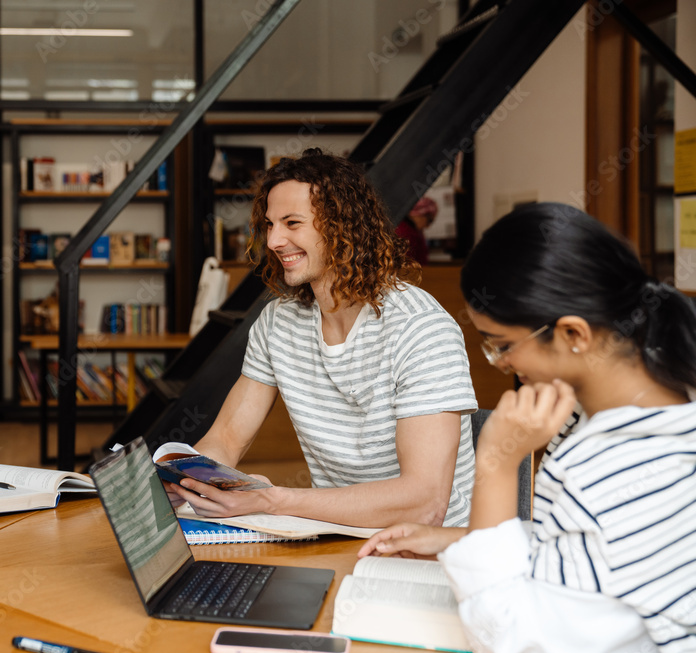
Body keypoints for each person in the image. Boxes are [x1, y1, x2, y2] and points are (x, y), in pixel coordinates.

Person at [358, 202, 696, 653]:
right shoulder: (655, 407)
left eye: (502, 345)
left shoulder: (613, 461)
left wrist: (497, 462)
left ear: (573, 334)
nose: (501, 364)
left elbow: (513, 644)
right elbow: (591, 555)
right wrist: (457, 540)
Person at [156, 148, 478, 529]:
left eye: (292, 223)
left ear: (342, 225)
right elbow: (226, 438)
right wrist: (189, 479)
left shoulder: (420, 329)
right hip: (336, 535)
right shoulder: (278, 322)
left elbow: (425, 503)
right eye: (270, 224)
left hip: (425, 553)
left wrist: (275, 501)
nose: (274, 240)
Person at [394, 196, 438, 265]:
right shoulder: (405, 232)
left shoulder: (412, 230)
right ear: (419, 214)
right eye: (429, 221)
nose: (428, 226)